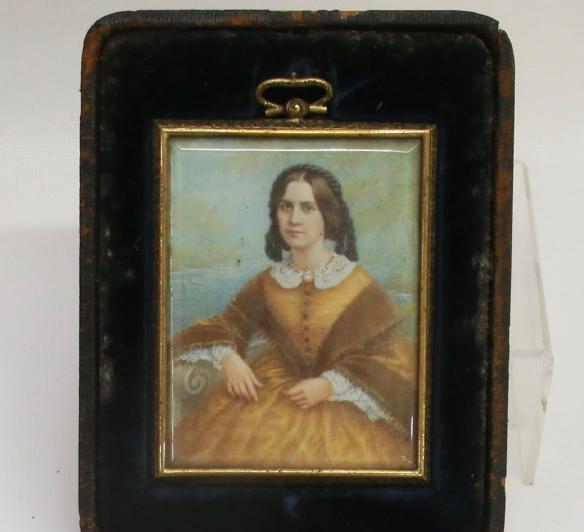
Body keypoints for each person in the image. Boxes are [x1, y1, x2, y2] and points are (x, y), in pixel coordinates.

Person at [171, 164, 417, 471]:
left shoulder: (361, 287)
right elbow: (227, 324)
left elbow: (391, 356)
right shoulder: (267, 283)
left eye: (307, 208)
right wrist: (229, 358)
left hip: (342, 407)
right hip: (271, 393)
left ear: (327, 216)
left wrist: (330, 385)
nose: (294, 219)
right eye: (286, 207)